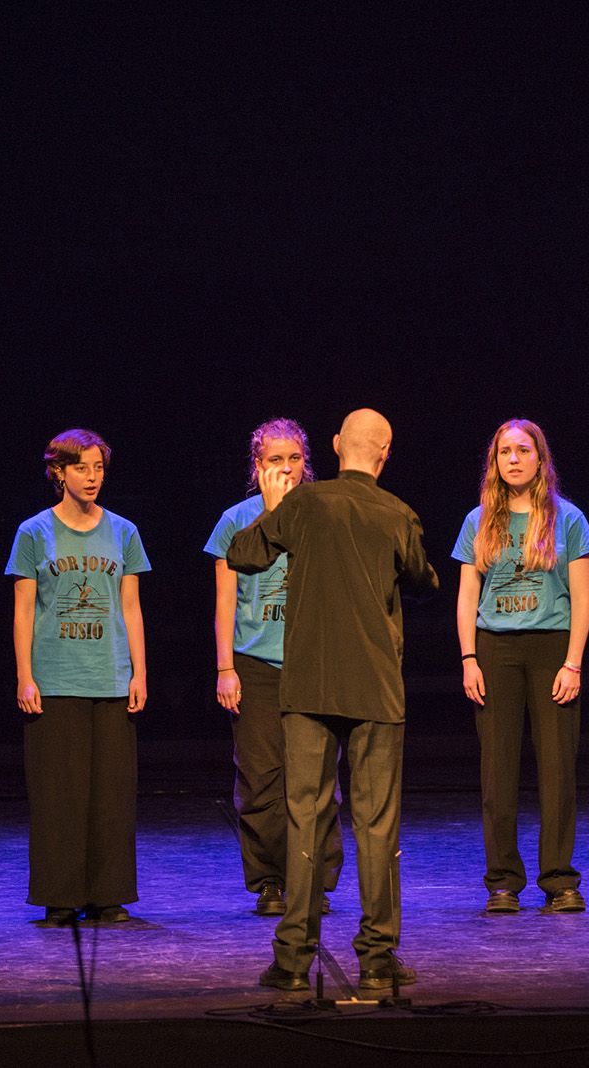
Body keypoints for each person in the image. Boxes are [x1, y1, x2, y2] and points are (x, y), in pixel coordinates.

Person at [228, 408, 437, 993]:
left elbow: (243, 554)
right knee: (376, 824)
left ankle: (293, 959)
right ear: (386, 452)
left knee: (304, 814)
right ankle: (376, 956)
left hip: (311, 685)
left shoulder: (303, 503)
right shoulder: (399, 514)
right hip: (375, 687)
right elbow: (424, 581)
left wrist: (273, 512)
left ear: (337, 444)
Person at [452, 419, 589, 914]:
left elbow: (582, 597)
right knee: (498, 772)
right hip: (495, 650)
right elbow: (468, 593)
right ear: (494, 462)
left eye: (522, 450)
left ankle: (559, 879)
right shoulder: (478, 521)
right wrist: (469, 657)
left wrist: (573, 663)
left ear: (540, 458)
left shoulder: (568, 519)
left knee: (557, 769)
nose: (513, 459)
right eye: (503, 452)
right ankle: (503, 882)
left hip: (552, 648)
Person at [8, 428, 149, 926]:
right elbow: (24, 611)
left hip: (109, 676)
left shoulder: (124, 531)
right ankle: (60, 895)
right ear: (58, 472)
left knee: (111, 794)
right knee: (58, 794)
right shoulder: (33, 532)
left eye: (99, 468)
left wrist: (139, 671)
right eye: (81, 468)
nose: (92, 478)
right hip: (56, 679)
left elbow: (130, 607)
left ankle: (108, 894)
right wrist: (25, 676)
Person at [204, 418, 342, 916]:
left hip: (313, 663)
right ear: (257, 466)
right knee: (261, 778)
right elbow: (225, 602)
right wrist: (225, 668)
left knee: (317, 778)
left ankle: (314, 880)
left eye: (294, 458)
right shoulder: (234, 520)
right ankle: (269, 882)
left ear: (306, 462)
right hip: (255, 663)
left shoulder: (324, 510)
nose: (285, 468)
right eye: (274, 460)